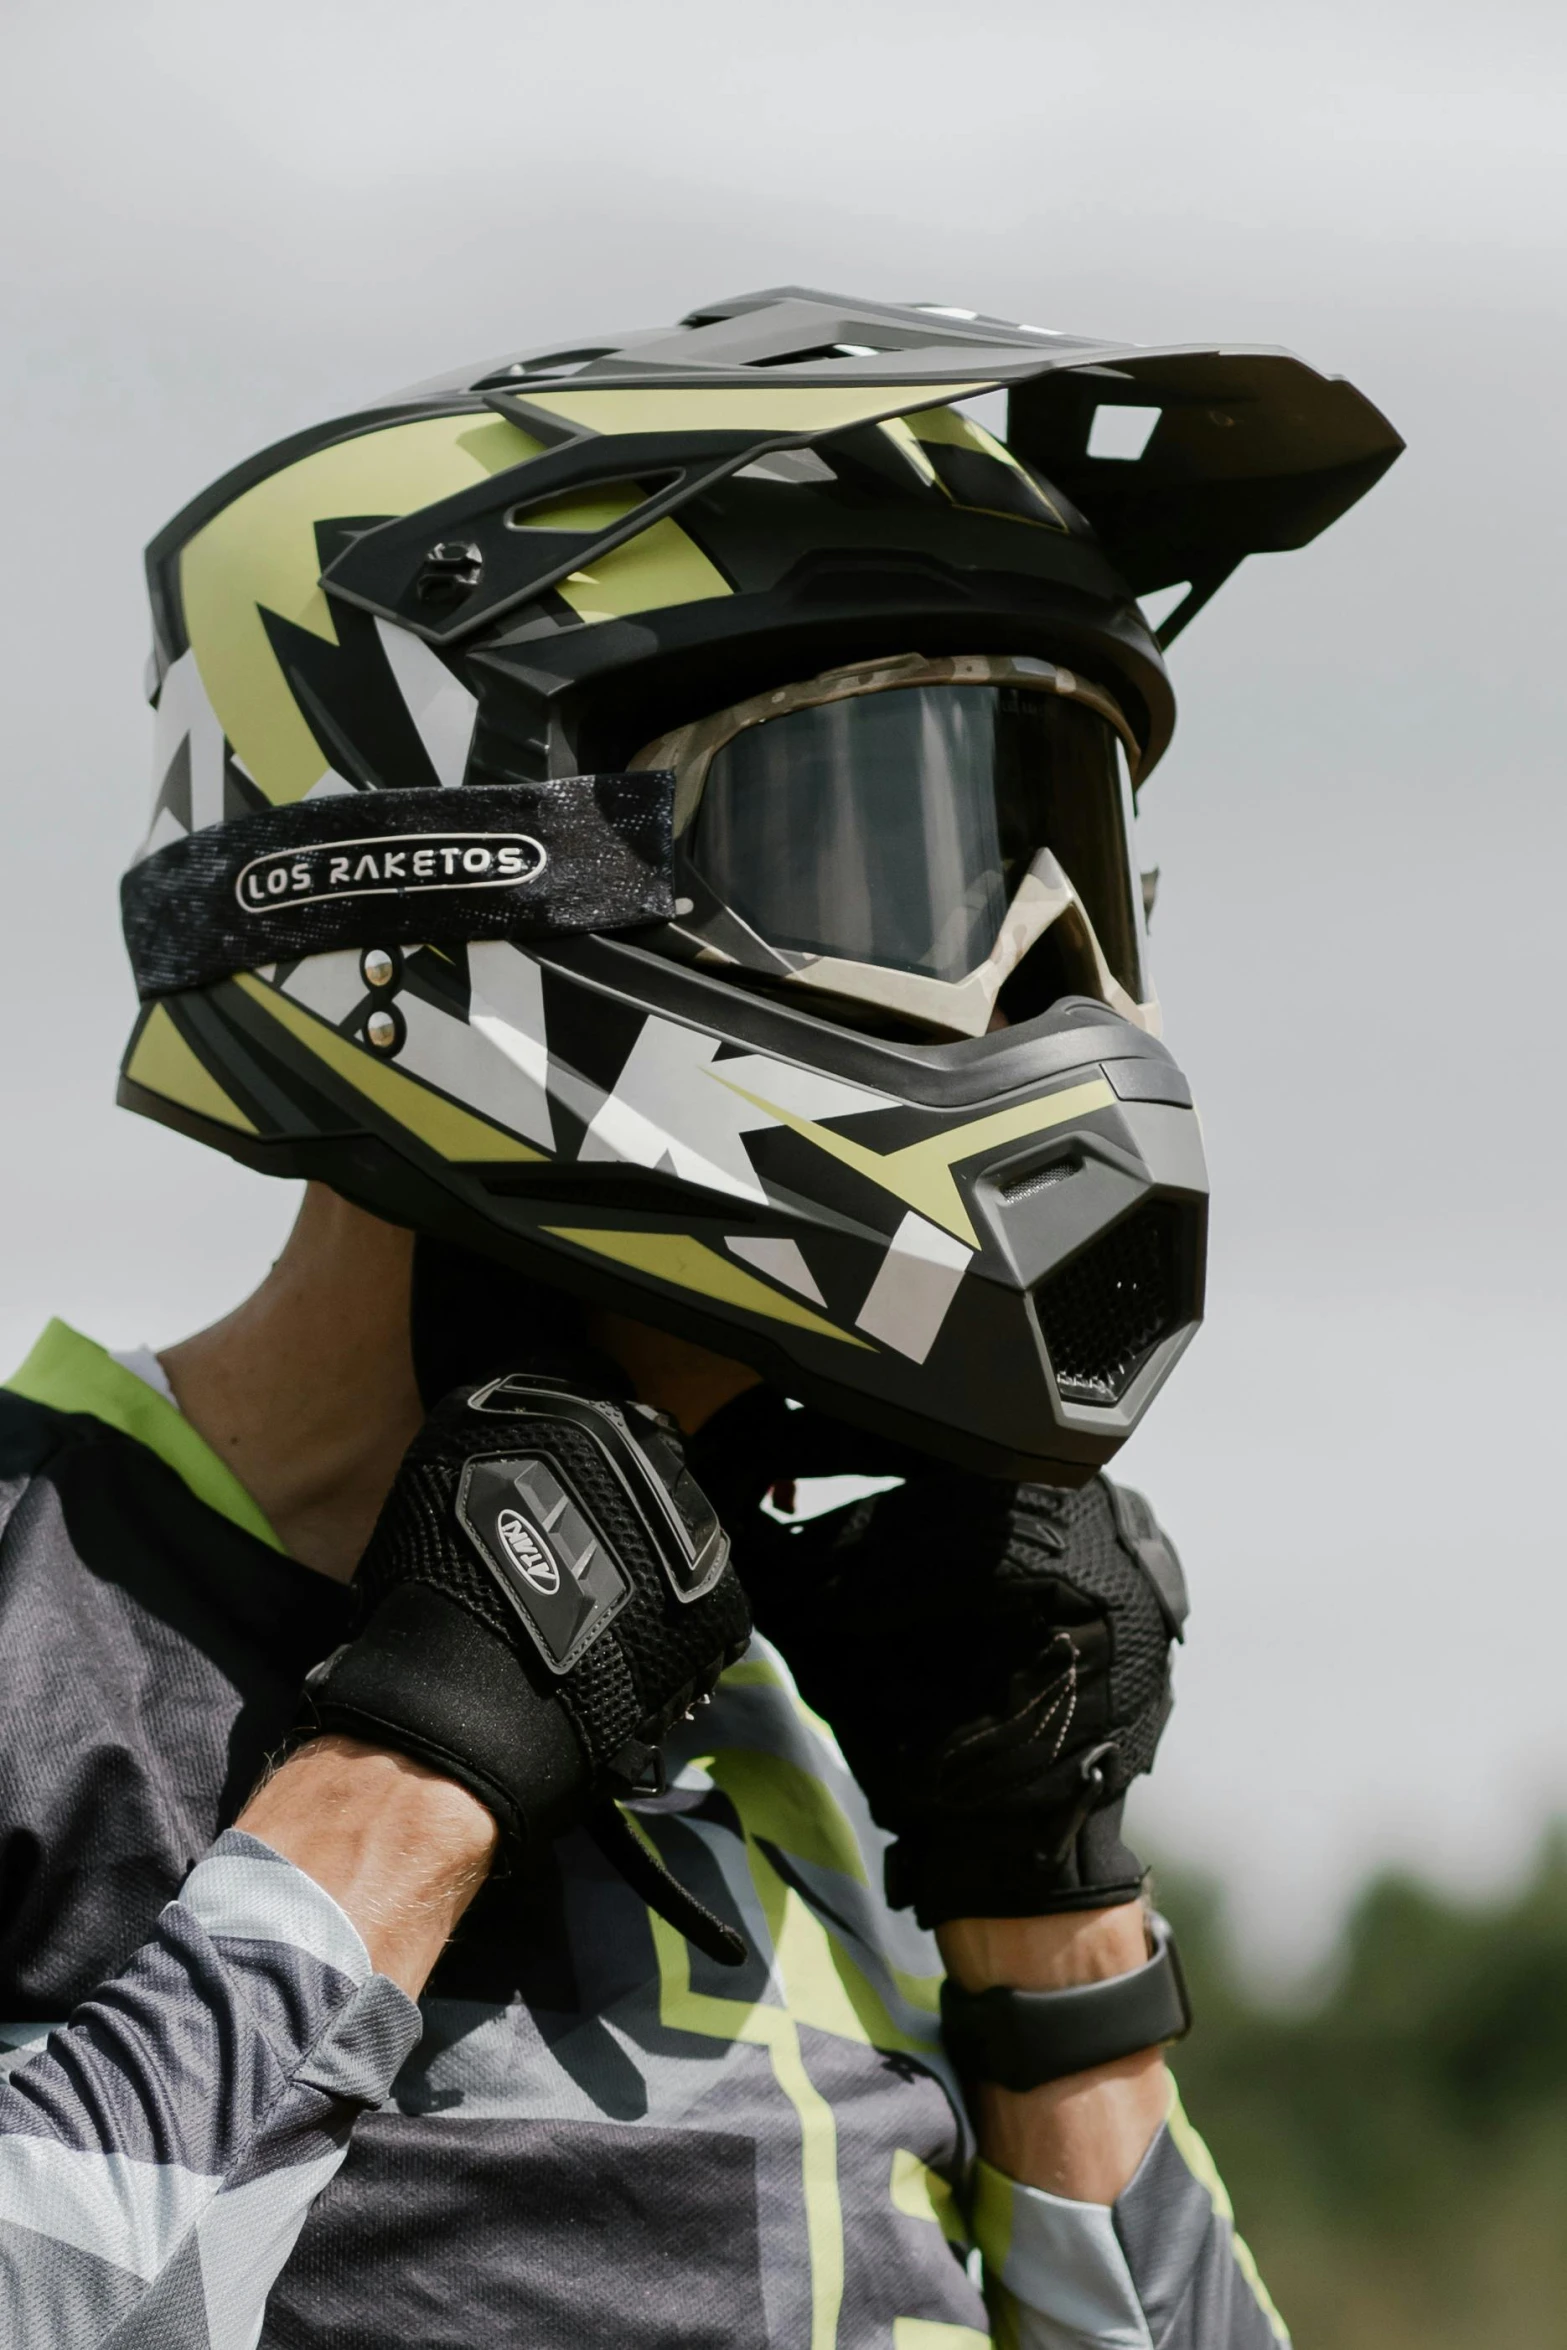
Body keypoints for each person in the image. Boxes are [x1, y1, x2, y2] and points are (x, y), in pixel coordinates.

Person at [0, 290, 1401, 2347]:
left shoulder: (778, 1691)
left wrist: (1047, 1922)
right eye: (892, 847)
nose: (1051, 985)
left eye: (1077, 862)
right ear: (448, 871)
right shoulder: (47, 1611)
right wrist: (404, 1781)